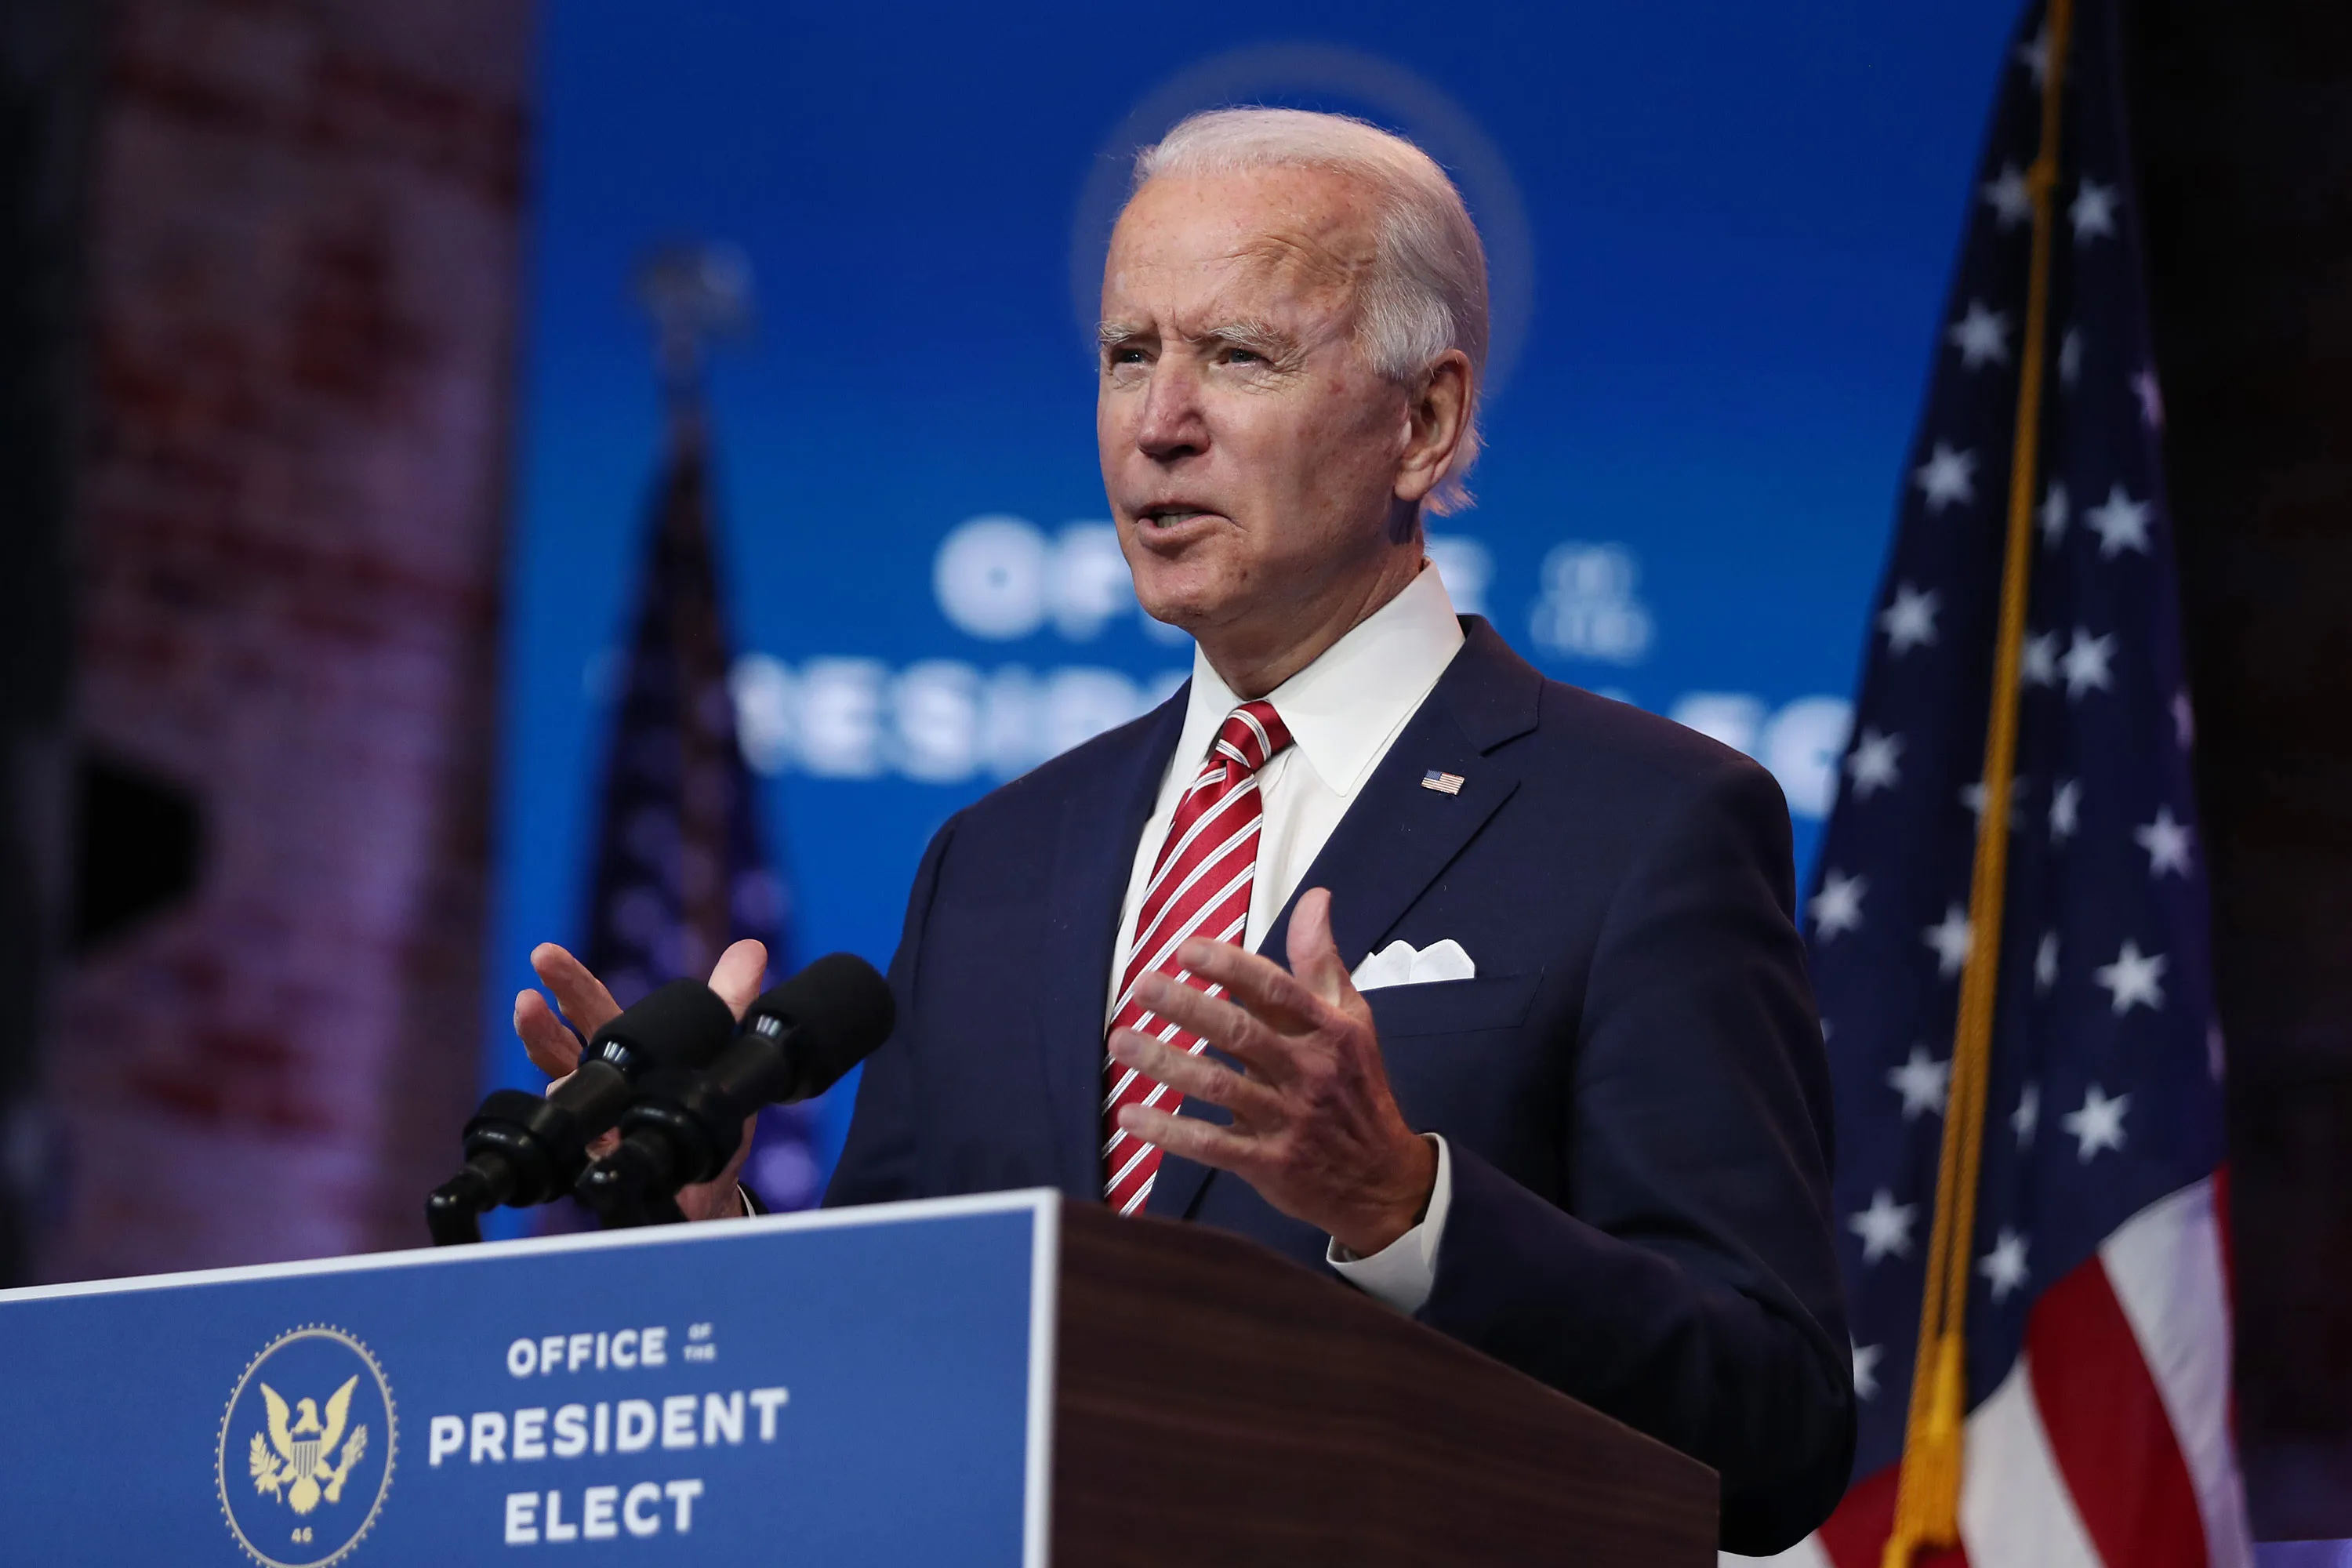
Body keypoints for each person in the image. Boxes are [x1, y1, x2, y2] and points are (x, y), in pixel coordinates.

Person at [518, 107, 1852, 1552]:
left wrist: (1407, 1207)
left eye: (1239, 355)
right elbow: (889, 1367)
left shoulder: (1649, 821)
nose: (1160, 421)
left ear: (1426, 421)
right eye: (1127, 355)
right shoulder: (997, 860)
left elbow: (1772, 1426)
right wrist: (713, 1225)